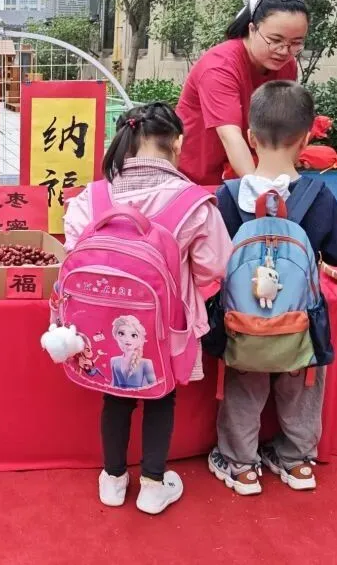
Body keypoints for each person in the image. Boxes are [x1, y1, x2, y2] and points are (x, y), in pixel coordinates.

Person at [63, 102, 232, 515]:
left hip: (103, 324)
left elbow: (74, 253)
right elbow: (216, 265)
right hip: (165, 325)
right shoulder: (193, 203)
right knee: (161, 397)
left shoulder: (92, 197)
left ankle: (113, 479)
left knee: (115, 397)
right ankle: (154, 485)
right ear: (177, 143)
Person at [208, 80, 337, 495]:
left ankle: (241, 465)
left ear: (251, 137)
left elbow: (213, 259)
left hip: (244, 324)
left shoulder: (229, 196)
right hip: (300, 324)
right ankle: (298, 462)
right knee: (303, 386)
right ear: (306, 139)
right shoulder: (318, 195)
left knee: (244, 387)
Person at [176, 0, 309, 186]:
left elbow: (279, 126)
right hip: (194, 179)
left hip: (240, 174)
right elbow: (230, 136)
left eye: (295, 43)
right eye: (275, 40)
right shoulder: (219, 66)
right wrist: (258, 190)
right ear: (252, 29)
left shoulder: (286, 66)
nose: (284, 51)